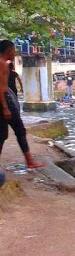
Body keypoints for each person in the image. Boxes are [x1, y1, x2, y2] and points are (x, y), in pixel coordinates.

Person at [0, 40, 45, 169]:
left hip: (5, 101)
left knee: (4, 134)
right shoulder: (3, 64)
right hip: (4, 102)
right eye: (13, 50)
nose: (15, 53)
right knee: (18, 130)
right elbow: (1, 88)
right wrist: (5, 108)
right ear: (9, 50)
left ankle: (29, 161)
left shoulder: (5, 64)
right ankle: (30, 162)